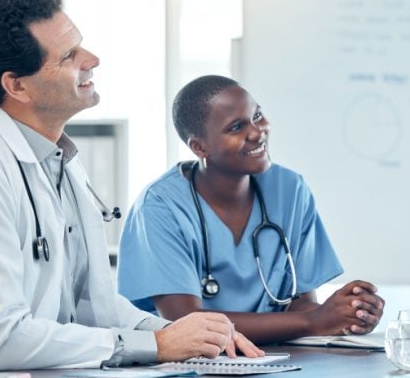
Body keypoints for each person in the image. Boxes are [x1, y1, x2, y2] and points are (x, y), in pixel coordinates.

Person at [0, 0, 261, 370]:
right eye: (69, 55)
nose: (92, 59)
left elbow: (93, 305)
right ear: (16, 86)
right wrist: (157, 343)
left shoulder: (60, 159)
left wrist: (187, 335)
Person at [117, 75, 385, 344]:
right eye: (236, 127)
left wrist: (348, 314)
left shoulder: (289, 189)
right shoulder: (160, 206)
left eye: (257, 115)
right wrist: (314, 321)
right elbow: (184, 323)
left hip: (274, 360)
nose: (257, 132)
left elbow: (300, 307)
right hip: (185, 365)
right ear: (200, 147)